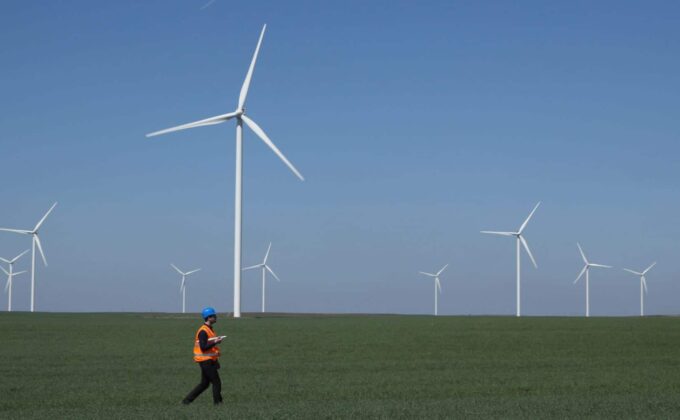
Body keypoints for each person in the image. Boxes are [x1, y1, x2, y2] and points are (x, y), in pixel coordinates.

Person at [182, 307, 224, 405]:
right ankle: (218, 404)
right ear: (208, 318)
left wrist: (215, 359)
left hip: (209, 360)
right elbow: (204, 347)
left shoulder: (209, 329)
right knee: (216, 382)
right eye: (214, 316)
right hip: (205, 361)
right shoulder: (203, 331)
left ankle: (186, 401)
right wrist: (215, 342)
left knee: (204, 384)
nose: (216, 317)